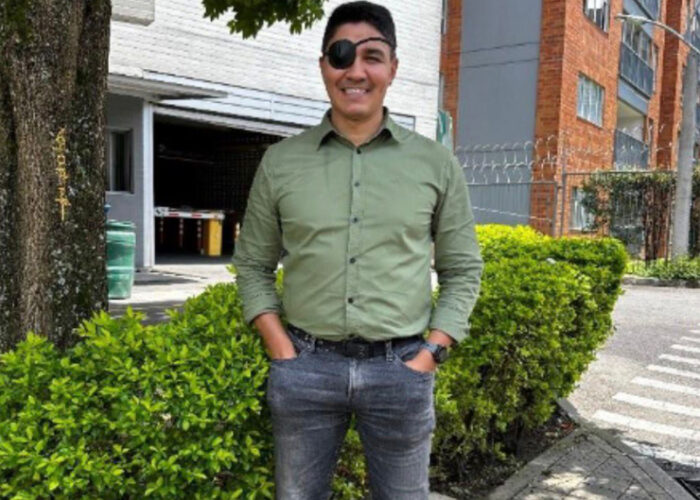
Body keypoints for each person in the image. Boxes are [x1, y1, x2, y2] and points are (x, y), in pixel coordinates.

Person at [232, 2, 483, 498]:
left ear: (393, 67)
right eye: (341, 55)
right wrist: (282, 350)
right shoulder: (281, 163)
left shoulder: (435, 164)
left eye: (372, 56)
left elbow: (463, 269)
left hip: (402, 369)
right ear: (324, 65)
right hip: (306, 367)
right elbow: (253, 265)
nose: (355, 71)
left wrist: (431, 353)